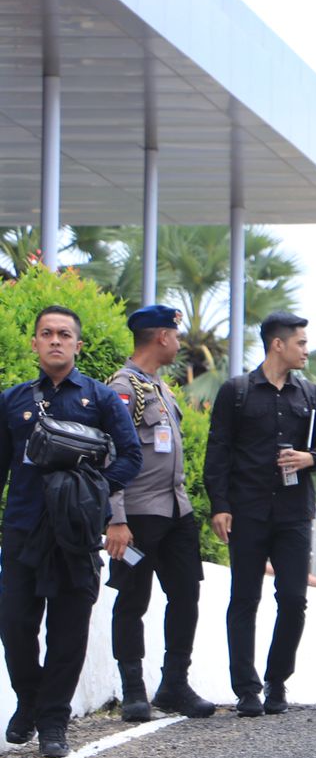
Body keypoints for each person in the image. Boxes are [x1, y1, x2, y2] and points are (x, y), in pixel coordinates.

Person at [0, 305, 141, 757]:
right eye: (47, 333)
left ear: (78, 345)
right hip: (23, 528)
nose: (55, 340)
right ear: (35, 343)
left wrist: (96, 493)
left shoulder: (100, 399)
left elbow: (130, 456)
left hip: (75, 534)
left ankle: (54, 720)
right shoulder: (13, 399)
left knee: (68, 627)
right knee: (16, 626)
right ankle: (29, 699)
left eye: (64, 334)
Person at [204, 311, 316, 718]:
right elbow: (218, 451)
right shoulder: (236, 391)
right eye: (301, 343)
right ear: (278, 344)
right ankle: (246, 689)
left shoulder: (311, 394)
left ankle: (278, 681)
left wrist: (308, 457)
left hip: (295, 513)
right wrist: (220, 506)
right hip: (246, 511)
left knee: (294, 600)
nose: (306, 351)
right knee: (243, 598)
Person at [104, 305, 214, 722]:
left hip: (176, 510)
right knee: (132, 599)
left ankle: (174, 684)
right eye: (175, 335)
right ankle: (133, 689)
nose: (179, 343)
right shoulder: (123, 387)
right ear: (161, 338)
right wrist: (116, 518)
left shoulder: (162, 389)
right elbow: (111, 454)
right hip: (137, 514)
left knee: (186, 594)